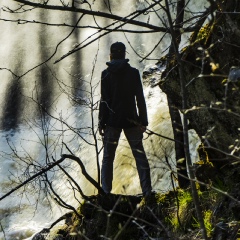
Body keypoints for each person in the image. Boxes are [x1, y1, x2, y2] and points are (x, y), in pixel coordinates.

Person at [98, 41, 152, 197]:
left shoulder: (106, 74)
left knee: (108, 158)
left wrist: (102, 122)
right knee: (140, 156)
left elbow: (104, 101)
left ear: (111, 55)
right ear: (124, 54)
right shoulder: (133, 73)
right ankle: (147, 191)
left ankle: (106, 192)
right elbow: (140, 99)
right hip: (131, 121)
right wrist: (143, 121)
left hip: (112, 122)